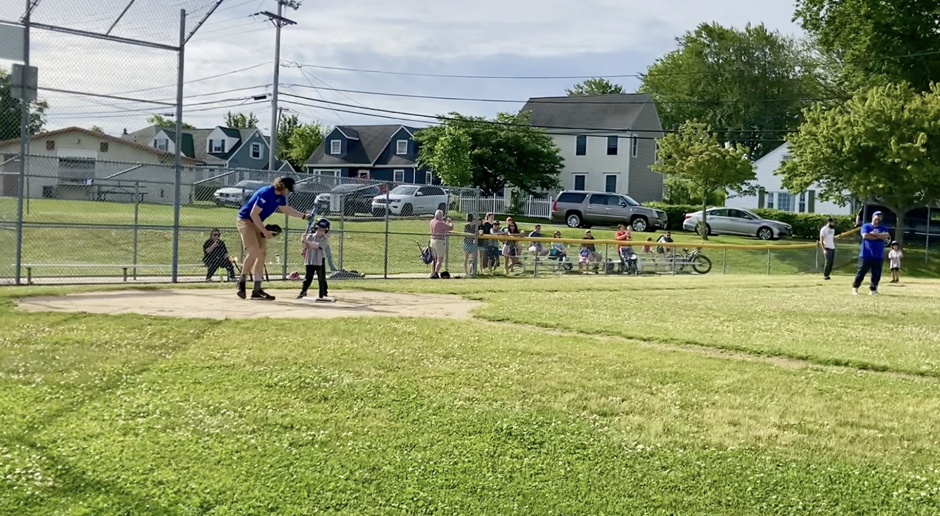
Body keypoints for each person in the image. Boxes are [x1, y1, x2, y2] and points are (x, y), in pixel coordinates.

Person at [236, 177, 311, 300]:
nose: (288, 192)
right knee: (254, 250)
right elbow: (253, 214)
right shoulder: (266, 193)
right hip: (245, 221)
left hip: (257, 222)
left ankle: (256, 289)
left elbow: (285, 210)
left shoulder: (280, 197)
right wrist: (265, 231)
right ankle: (241, 283)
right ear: (283, 187)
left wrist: (304, 216)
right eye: (288, 189)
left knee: (262, 253)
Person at [853, 211, 890, 296]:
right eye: (877, 215)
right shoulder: (866, 226)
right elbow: (865, 236)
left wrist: (874, 234)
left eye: (881, 216)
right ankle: (855, 288)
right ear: (873, 217)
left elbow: (886, 237)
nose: (879, 217)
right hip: (866, 254)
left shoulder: (883, 227)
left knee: (876, 274)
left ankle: (873, 289)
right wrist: (879, 236)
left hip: (878, 255)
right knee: (861, 272)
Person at [298, 219, 330, 300]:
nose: (321, 231)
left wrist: (307, 241)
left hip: (320, 260)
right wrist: (303, 240)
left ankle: (322, 293)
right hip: (310, 259)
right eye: (319, 229)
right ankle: (303, 291)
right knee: (308, 277)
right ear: (316, 228)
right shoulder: (310, 236)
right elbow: (305, 247)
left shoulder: (325, 239)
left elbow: (317, 246)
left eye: (323, 230)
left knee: (321, 278)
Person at [429, 210, 453, 279]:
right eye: (442, 216)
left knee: (434, 258)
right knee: (440, 258)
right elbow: (450, 228)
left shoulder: (432, 221)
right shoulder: (439, 223)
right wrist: (450, 222)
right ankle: (436, 273)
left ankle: (432, 272)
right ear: (440, 216)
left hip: (432, 240)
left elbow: (441, 229)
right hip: (439, 241)